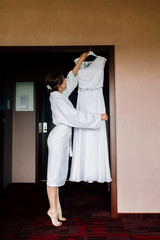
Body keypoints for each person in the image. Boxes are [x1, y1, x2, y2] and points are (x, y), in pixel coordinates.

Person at [45, 51, 108, 227]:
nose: (66, 81)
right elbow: (75, 116)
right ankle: (52, 210)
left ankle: (57, 208)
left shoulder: (59, 95)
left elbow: (72, 79)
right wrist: (98, 117)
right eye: (63, 80)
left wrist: (80, 60)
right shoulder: (58, 99)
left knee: (57, 175)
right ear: (58, 85)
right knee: (53, 175)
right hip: (59, 137)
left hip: (62, 137)